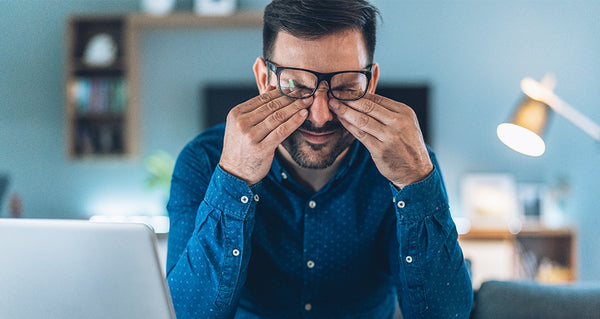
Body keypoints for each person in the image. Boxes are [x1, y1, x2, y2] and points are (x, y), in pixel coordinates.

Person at [166, 0, 473, 318]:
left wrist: (416, 181)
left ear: (372, 83)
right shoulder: (204, 160)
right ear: (263, 80)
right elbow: (184, 314)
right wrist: (234, 178)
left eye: (346, 87)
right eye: (296, 86)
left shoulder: (410, 164)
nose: (320, 114)